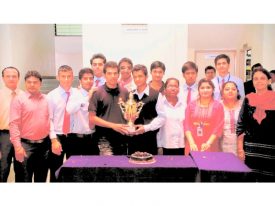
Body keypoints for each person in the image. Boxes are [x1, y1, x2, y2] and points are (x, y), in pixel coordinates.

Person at [9, 71, 51, 182]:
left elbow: (51, 121)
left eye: (35, 82)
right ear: (25, 83)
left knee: (41, 178)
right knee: (23, 179)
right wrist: (18, 147)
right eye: (29, 82)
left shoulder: (47, 99)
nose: (32, 84)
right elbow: (13, 125)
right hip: (25, 146)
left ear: (40, 84)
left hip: (44, 146)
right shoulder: (18, 100)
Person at [237, 68, 275, 182]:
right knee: (250, 181)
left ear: (269, 81)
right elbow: (240, 125)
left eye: (262, 78)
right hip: (250, 150)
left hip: (271, 150)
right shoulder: (248, 98)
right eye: (255, 79)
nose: (259, 81)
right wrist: (240, 148)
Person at [88, 61, 130, 155]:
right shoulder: (97, 92)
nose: (113, 76)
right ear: (104, 75)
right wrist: (113, 125)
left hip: (122, 137)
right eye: (109, 73)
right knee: (108, 167)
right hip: (104, 139)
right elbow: (92, 118)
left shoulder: (125, 92)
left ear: (119, 74)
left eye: (115, 73)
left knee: (121, 167)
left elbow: (127, 114)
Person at [47, 65, 77, 182]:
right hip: (58, 137)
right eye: (63, 76)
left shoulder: (77, 93)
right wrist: (54, 140)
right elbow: (49, 119)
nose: (66, 79)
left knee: (73, 170)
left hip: (73, 136)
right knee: (56, 170)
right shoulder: (51, 96)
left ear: (72, 77)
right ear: (57, 77)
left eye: (69, 76)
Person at [143, 78, 186, 155]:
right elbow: (156, 122)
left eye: (175, 86)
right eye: (170, 86)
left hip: (181, 145)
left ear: (179, 89)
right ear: (165, 89)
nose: (173, 88)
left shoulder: (184, 104)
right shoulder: (159, 104)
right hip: (164, 146)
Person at [184, 79, 224, 155]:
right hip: (192, 144)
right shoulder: (191, 105)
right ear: (198, 90)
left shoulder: (218, 106)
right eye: (202, 88)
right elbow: (186, 125)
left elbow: (219, 127)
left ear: (213, 90)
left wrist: (208, 143)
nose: (205, 90)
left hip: (211, 145)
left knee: (209, 166)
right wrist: (191, 143)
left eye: (208, 87)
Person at [128, 64, 160, 155]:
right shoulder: (130, 95)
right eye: (135, 77)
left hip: (149, 139)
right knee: (132, 167)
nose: (137, 79)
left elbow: (162, 118)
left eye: (140, 76)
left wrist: (146, 128)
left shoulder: (156, 95)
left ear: (146, 76)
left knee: (150, 167)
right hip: (133, 140)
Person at [66, 68, 99, 156]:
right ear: (80, 80)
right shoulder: (74, 93)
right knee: (74, 169)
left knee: (92, 168)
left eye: (91, 78)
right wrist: (88, 97)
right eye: (85, 78)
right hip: (76, 140)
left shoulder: (97, 94)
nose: (89, 81)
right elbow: (69, 110)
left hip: (92, 139)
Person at [0, 66, 24, 182]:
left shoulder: (24, 95)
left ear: (18, 78)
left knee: (21, 169)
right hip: (3, 137)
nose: (11, 78)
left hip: (21, 136)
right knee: (3, 169)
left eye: (14, 76)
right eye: (8, 76)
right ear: (3, 78)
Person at [220, 81, 242, 156]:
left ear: (237, 92)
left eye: (233, 89)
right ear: (222, 92)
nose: (230, 91)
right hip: (221, 145)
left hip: (241, 145)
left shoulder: (243, 105)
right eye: (227, 89)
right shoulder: (217, 105)